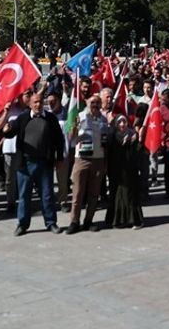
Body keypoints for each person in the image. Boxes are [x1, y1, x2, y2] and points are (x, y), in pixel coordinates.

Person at [0, 90, 65, 236]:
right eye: (35, 102)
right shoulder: (22, 118)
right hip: (25, 164)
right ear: (29, 103)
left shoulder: (50, 119)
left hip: (44, 163)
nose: (38, 104)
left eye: (40, 102)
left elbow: (59, 140)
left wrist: (59, 158)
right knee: (24, 196)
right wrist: (6, 130)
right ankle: (22, 224)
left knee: (47, 195)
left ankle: (51, 223)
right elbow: (10, 132)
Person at [67, 95, 111, 234]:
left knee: (94, 193)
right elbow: (71, 138)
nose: (95, 104)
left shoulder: (103, 119)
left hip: (98, 159)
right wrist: (74, 126)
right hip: (82, 159)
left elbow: (105, 142)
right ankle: (74, 221)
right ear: (87, 103)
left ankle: (88, 221)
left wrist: (105, 162)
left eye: (98, 102)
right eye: (92, 102)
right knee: (78, 193)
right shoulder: (80, 116)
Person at [105, 114, 145, 229]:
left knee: (131, 195)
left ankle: (133, 220)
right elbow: (108, 147)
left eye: (124, 122)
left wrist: (136, 141)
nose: (122, 125)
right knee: (117, 194)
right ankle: (117, 220)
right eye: (119, 122)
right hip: (116, 170)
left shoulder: (133, 135)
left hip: (130, 170)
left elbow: (139, 152)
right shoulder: (112, 135)